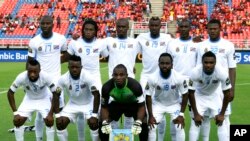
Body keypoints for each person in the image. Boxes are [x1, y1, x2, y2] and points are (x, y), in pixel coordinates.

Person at [26, 15, 68, 141]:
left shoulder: (61, 39)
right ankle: (39, 138)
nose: (45, 26)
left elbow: (66, 54)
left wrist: (56, 61)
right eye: (42, 23)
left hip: (56, 79)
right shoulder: (34, 41)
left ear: (52, 24)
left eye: (47, 23)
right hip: (40, 80)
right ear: (39, 24)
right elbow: (29, 61)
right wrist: (28, 81)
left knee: (59, 112)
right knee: (40, 114)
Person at [65, 18, 108, 141]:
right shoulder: (74, 43)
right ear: (82, 30)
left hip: (95, 78)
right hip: (79, 79)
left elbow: (107, 56)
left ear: (95, 31)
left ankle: (98, 137)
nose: (88, 32)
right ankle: (81, 138)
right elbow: (68, 58)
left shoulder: (100, 43)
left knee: (98, 110)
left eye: (91, 30)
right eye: (86, 29)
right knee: (79, 110)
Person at [196, 19, 236, 141]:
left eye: (215, 28)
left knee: (223, 118)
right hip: (205, 89)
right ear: (207, 29)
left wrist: (232, 89)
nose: (212, 31)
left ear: (220, 29)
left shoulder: (228, 45)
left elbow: (232, 68)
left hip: (222, 88)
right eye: (210, 29)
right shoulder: (201, 46)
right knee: (205, 118)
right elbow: (198, 67)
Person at [136, 16, 173, 140]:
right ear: (149, 26)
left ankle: (160, 138)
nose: (154, 28)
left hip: (162, 77)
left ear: (160, 26)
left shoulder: (167, 38)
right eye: (152, 25)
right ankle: (147, 136)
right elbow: (130, 51)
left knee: (160, 108)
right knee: (145, 110)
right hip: (146, 77)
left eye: (157, 25)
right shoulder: (141, 38)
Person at [103, 18, 139, 129]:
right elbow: (104, 55)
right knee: (113, 115)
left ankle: (127, 137)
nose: (121, 29)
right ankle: (115, 137)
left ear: (128, 28)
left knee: (129, 114)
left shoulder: (135, 42)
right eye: (119, 27)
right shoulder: (109, 41)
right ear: (116, 27)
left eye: (124, 27)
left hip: (130, 83)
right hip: (113, 83)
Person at [7, 59, 56, 141]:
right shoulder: (21, 77)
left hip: (44, 98)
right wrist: (15, 113)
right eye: (30, 72)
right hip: (29, 99)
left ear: (39, 71)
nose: (32, 74)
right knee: (17, 121)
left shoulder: (46, 76)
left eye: (35, 72)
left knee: (49, 121)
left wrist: (51, 113)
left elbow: (55, 93)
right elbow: (10, 92)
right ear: (27, 70)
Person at [54, 55, 100, 141]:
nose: (74, 69)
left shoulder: (88, 77)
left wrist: (94, 115)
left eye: (77, 67)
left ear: (81, 67)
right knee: (60, 124)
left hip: (88, 103)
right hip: (73, 104)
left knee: (94, 124)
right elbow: (56, 95)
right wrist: (57, 115)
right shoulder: (63, 79)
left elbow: (96, 95)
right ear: (68, 67)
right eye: (72, 67)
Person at [166, 19, 199, 141]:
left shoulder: (197, 44)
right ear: (179, 28)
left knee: (194, 115)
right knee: (176, 115)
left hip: (193, 85)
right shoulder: (172, 44)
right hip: (176, 84)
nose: (184, 29)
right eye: (182, 26)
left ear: (190, 27)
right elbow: (168, 63)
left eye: (186, 26)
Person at [188, 51, 231, 141]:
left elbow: (227, 93)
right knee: (195, 122)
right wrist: (196, 114)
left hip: (214, 95)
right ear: (202, 62)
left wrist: (222, 114)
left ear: (215, 63)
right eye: (206, 62)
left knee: (221, 122)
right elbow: (190, 93)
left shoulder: (222, 72)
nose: (208, 65)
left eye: (211, 63)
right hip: (199, 96)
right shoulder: (195, 72)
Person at [145, 53, 188, 141]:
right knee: (152, 127)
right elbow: (148, 96)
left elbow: (185, 95)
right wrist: (150, 115)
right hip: (158, 104)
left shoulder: (179, 77)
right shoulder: (152, 78)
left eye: (167, 63)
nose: (164, 66)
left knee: (179, 126)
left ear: (172, 65)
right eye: (162, 63)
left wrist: (181, 114)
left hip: (174, 104)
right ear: (158, 64)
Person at [99, 64, 148, 141]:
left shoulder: (135, 86)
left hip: (132, 105)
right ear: (112, 75)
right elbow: (104, 107)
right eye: (116, 75)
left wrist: (138, 122)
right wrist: (105, 121)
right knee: (103, 124)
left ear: (126, 76)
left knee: (144, 122)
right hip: (117, 104)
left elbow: (141, 106)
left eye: (121, 75)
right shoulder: (106, 87)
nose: (118, 77)